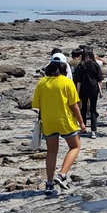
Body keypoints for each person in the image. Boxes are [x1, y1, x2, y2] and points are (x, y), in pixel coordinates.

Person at [32, 53, 86, 192]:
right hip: (64, 120)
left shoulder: (42, 82)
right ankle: (62, 175)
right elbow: (74, 105)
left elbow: (36, 104)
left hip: (48, 120)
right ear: (64, 66)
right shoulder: (67, 82)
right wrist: (81, 122)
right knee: (75, 146)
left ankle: (49, 184)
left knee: (51, 151)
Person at [74, 50, 104, 139]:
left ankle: (83, 128)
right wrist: (101, 91)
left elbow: (78, 81)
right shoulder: (95, 64)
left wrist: (77, 92)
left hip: (84, 88)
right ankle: (93, 131)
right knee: (93, 110)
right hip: (94, 88)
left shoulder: (80, 65)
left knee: (83, 108)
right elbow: (99, 79)